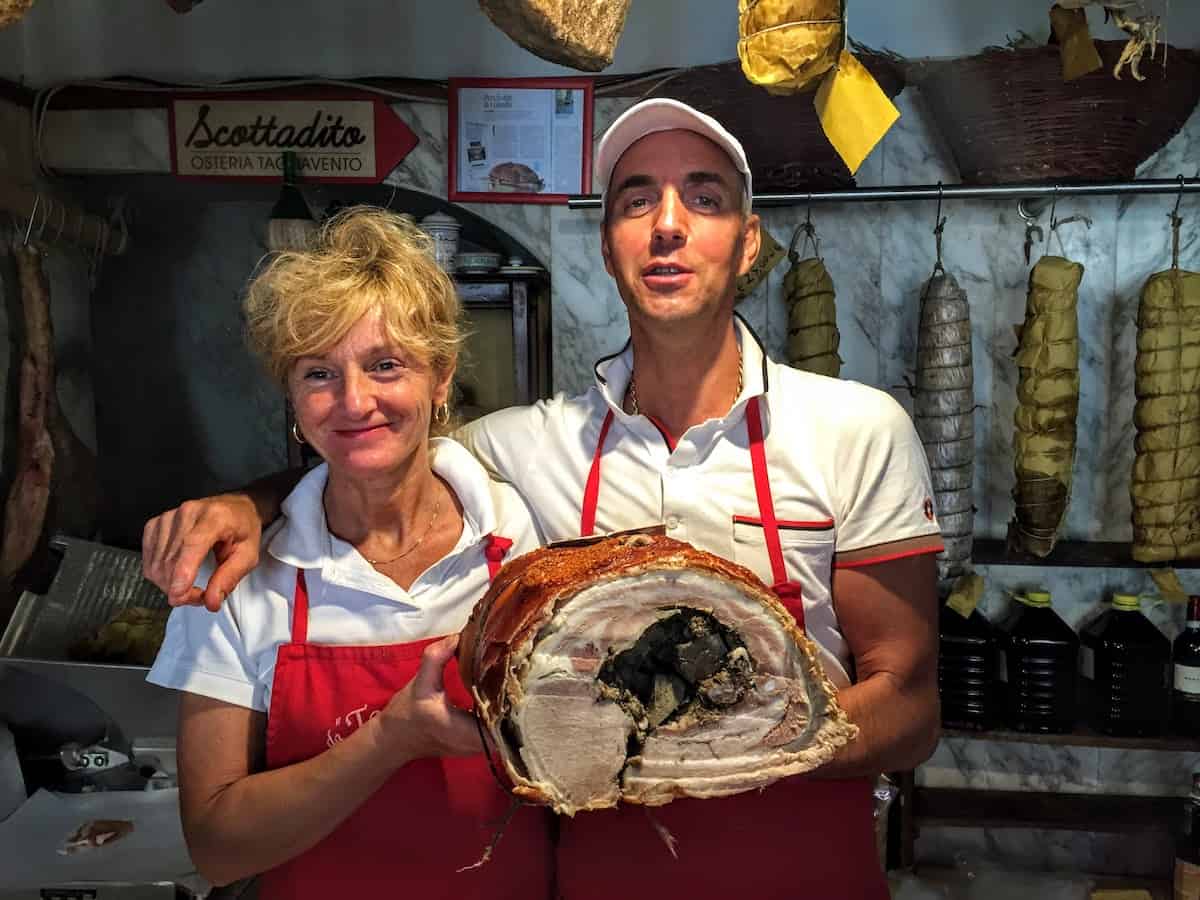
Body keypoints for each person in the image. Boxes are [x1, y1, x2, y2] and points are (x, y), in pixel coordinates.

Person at [143, 100, 942, 899]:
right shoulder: (522, 451)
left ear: (750, 241)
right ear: (607, 245)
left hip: (802, 875)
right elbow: (374, 457)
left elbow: (908, 708)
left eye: (704, 198)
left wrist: (741, 742)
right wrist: (246, 506)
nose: (668, 224)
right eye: (636, 201)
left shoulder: (858, 431)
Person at [144, 207, 553, 898]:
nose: (354, 401)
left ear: (441, 377)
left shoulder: (528, 539)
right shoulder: (237, 580)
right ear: (293, 398)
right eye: (318, 374)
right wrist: (389, 740)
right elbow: (216, 847)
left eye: (385, 365)